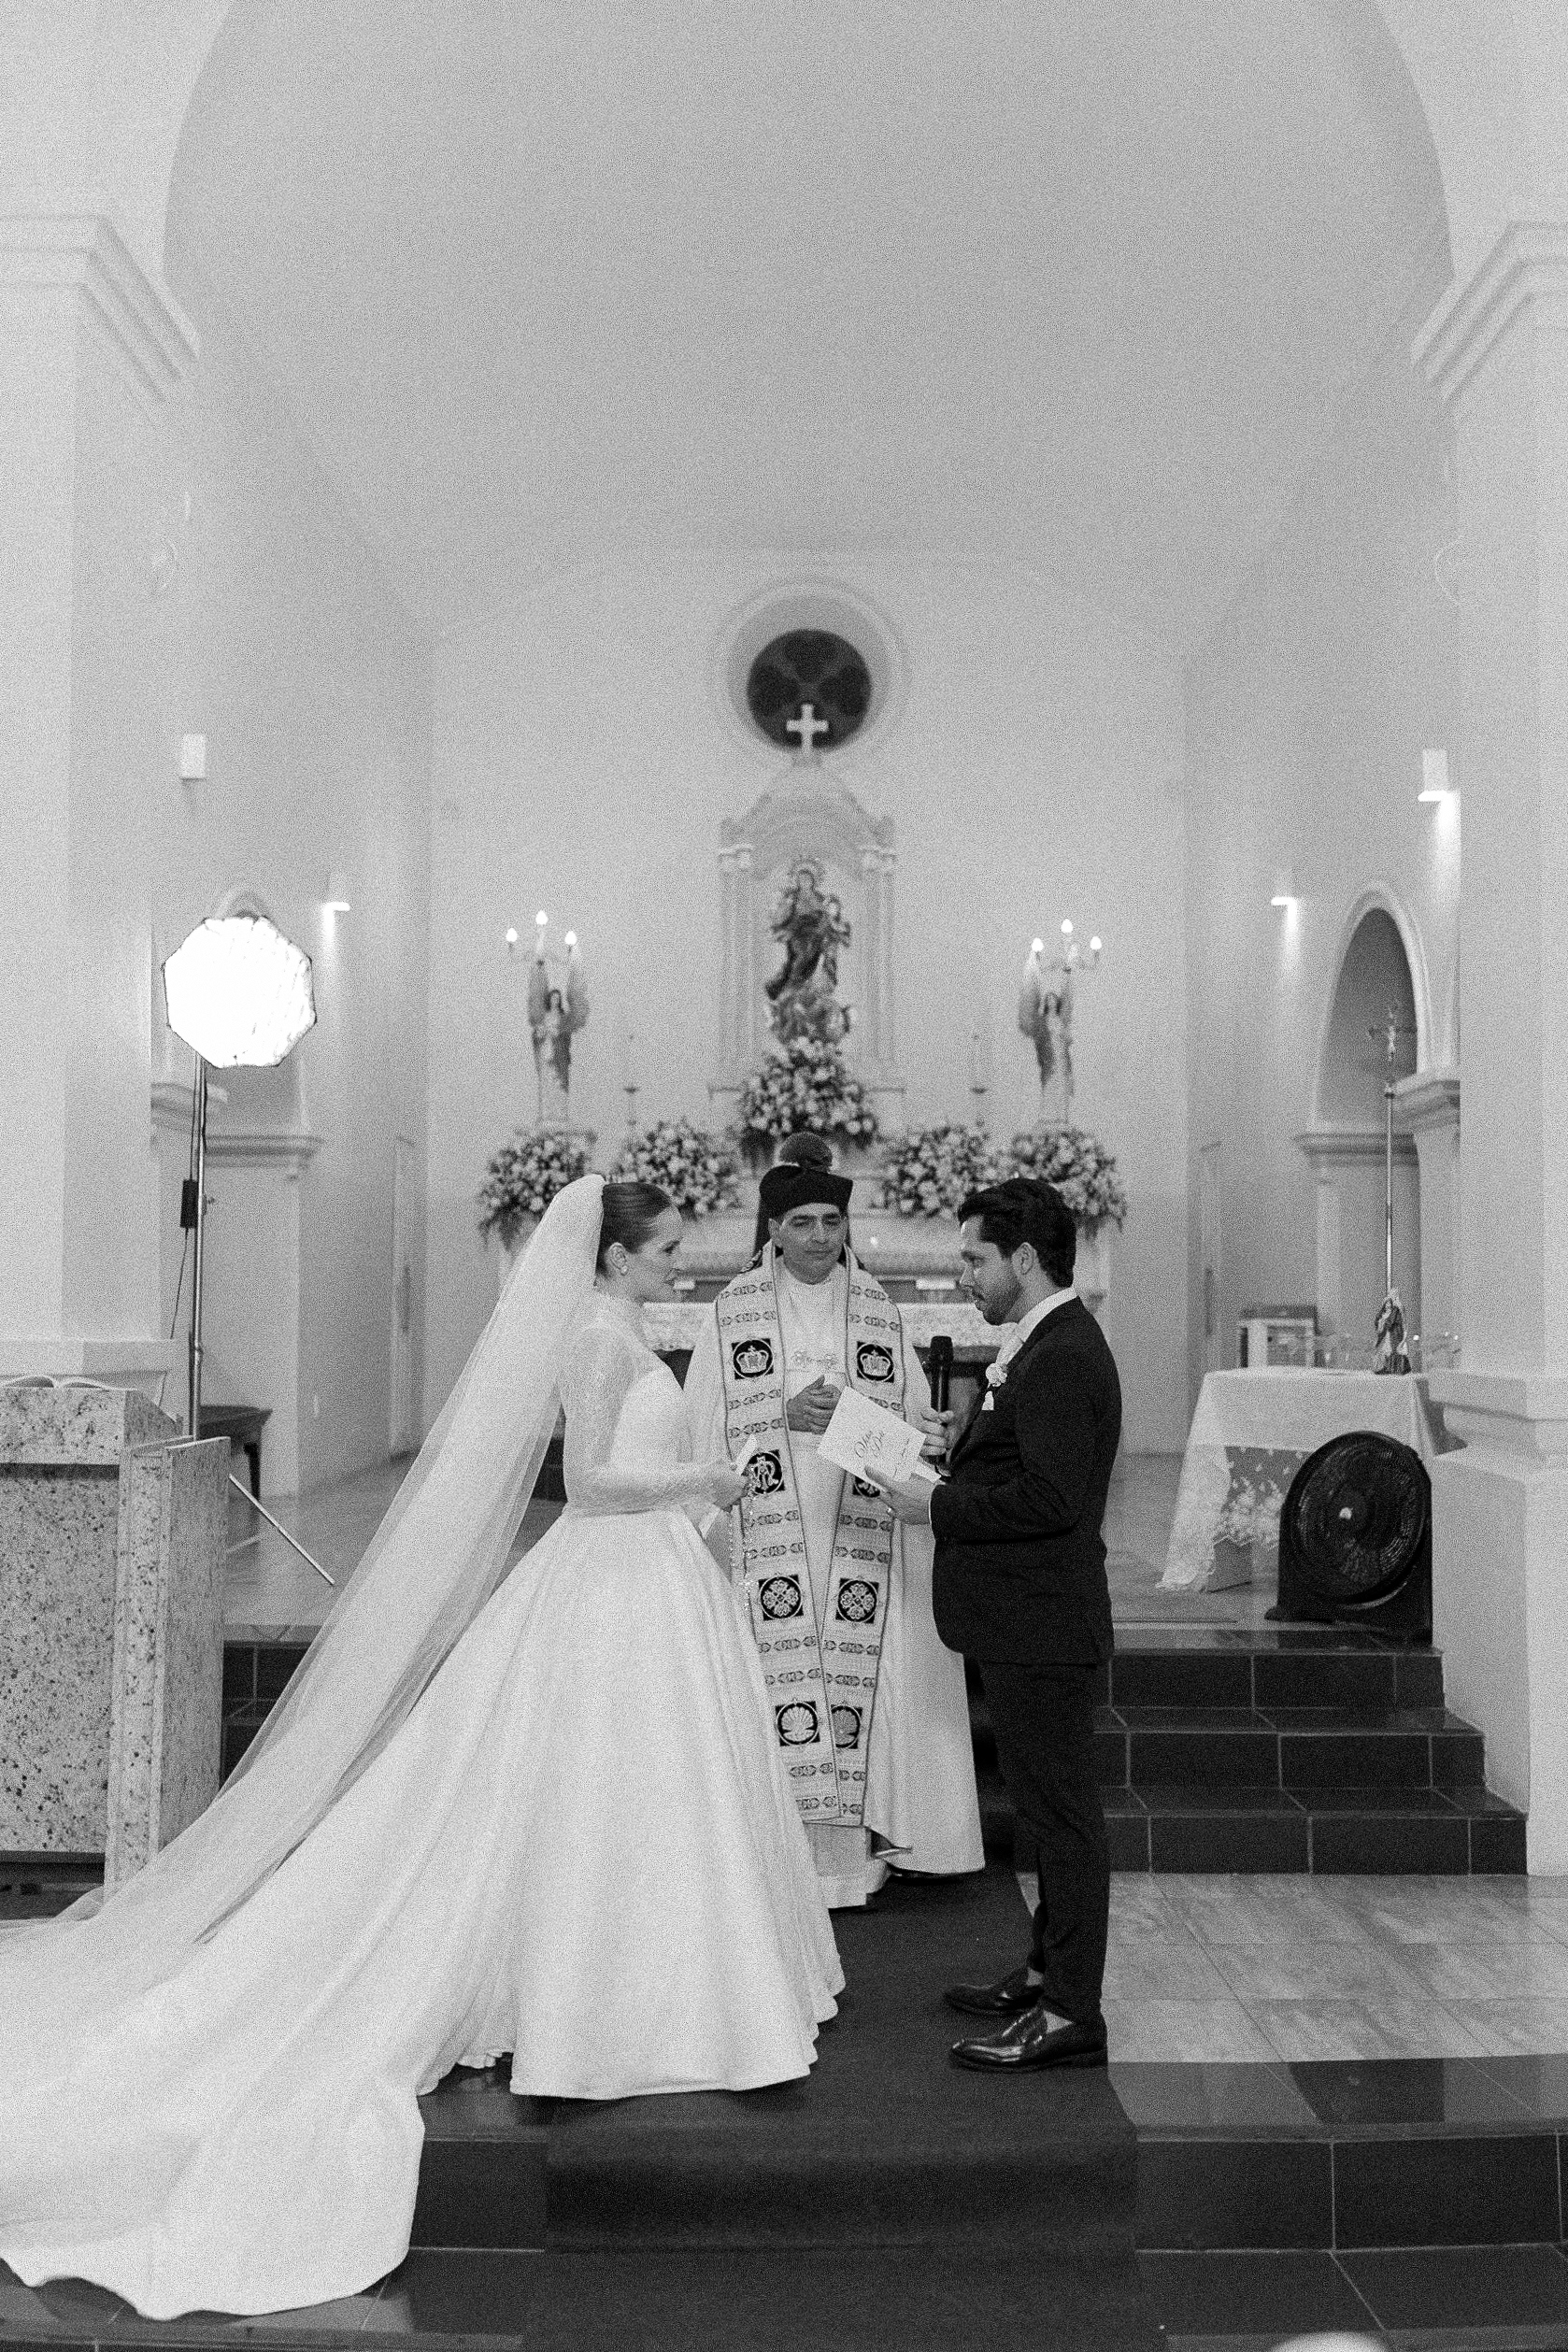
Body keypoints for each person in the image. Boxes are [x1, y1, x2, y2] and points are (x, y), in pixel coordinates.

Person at [0, 1177, 840, 2319]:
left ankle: (666, 1978)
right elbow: (589, 1484)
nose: (676, 1265)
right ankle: (603, 1996)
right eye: (662, 1250)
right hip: (612, 1576)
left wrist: (717, 1472)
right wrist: (703, 1480)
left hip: (654, 1578)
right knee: (599, 1790)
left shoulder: (625, 1327)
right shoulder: (595, 1339)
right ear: (612, 1258)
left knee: (650, 1795)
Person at [686, 1158, 983, 1909]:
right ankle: (770, 1857)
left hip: (859, 1529)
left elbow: (912, 1426)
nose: (820, 1236)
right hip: (767, 1529)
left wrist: (931, 1430)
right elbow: (696, 1430)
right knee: (774, 1676)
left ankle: (850, 1863)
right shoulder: (732, 1312)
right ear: (774, 1230)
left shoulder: (877, 1311)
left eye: (832, 1220)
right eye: (803, 1222)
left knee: (855, 1680)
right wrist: (779, 1415)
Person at [882, 1177, 1120, 2072]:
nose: (964, 1273)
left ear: (1024, 1257)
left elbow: (1054, 1499)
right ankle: (1046, 1971)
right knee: (1045, 1813)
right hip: (1027, 1618)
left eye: (975, 1257)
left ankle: (1070, 2012)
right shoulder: (1044, 1341)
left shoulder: (1061, 1354)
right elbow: (1028, 1467)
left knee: (1063, 1821)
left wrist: (937, 1505)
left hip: (1043, 1623)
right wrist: (964, 1452)